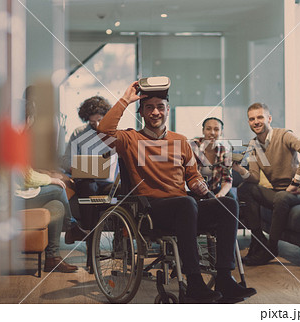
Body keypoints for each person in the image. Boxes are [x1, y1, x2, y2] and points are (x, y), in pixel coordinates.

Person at [97, 80, 256, 303]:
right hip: (152, 211)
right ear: (141, 112)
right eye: (149, 107)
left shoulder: (180, 141)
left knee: (228, 204)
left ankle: (224, 278)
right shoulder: (129, 139)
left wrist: (199, 183)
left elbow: (192, 175)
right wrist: (125, 99)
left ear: (168, 110)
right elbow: (103, 130)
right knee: (186, 204)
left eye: (160, 107)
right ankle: (194, 283)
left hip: (184, 209)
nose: (155, 112)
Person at [233, 102, 300, 266]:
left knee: (281, 197)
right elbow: (255, 178)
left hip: (299, 193)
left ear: (269, 118)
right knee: (245, 189)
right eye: (251, 119)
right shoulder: (254, 145)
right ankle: (259, 241)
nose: (256, 121)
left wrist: (296, 181)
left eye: (260, 117)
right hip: (278, 193)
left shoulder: (284, 135)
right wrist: (239, 169)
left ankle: (271, 249)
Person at [15, 98, 86, 273]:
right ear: (28, 118)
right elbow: (27, 178)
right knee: (58, 188)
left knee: (56, 206)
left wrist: (49, 176)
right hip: (13, 196)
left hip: (14, 192)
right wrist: (51, 179)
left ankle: (52, 258)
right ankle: (72, 227)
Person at [61, 96, 116, 229]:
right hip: (86, 181)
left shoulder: (114, 133)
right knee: (89, 187)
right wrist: (78, 168)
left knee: (120, 190)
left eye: (99, 120)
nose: (96, 125)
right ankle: (89, 234)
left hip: (109, 181)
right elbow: (66, 160)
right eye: (92, 122)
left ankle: (117, 240)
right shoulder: (79, 133)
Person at [190, 117, 234, 198]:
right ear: (203, 131)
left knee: (231, 198)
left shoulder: (225, 151)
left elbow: (227, 179)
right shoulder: (193, 146)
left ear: (221, 132)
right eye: (208, 129)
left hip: (214, 189)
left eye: (216, 129)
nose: (212, 133)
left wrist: (221, 194)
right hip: (194, 189)